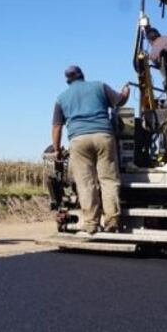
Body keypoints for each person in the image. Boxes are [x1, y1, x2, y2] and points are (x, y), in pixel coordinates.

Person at [51, 65, 130, 235]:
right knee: (108, 180)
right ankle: (112, 221)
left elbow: (57, 126)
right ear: (82, 75)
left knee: (86, 183)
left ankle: (91, 223)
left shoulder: (61, 98)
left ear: (67, 80)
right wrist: (125, 92)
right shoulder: (100, 86)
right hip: (103, 136)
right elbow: (120, 101)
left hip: (78, 140)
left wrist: (57, 149)